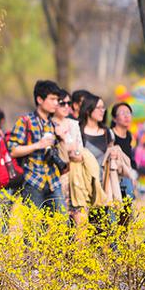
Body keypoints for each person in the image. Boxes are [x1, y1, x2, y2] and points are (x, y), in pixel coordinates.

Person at [7, 80, 66, 212]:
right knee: (35, 226)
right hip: (33, 180)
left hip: (53, 180)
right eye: (52, 99)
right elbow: (13, 150)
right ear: (40, 99)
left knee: (63, 221)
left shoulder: (54, 125)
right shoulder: (25, 121)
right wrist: (38, 145)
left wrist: (62, 139)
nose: (56, 103)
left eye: (57, 100)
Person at [52, 89, 84, 219]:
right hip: (56, 178)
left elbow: (79, 152)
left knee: (79, 219)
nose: (66, 106)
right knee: (59, 219)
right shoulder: (48, 124)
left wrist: (67, 145)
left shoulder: (74, 124)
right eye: (62, 103)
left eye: (68, 103)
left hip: (74, 177)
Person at [110, 102, 138, 200]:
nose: (126, 116)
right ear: (114, 118)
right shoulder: (110, 135)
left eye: (128, 113)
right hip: (114, 175)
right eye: (122, 113)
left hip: (128, 175)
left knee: (128, 209)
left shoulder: (129, 136)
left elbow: (130, 157)